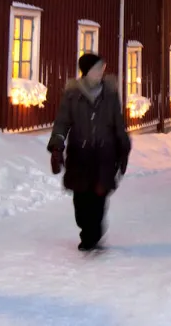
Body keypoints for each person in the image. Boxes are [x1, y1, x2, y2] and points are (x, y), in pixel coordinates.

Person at [49, 53, 131, 251]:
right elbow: (62, 123)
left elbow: (118, 125)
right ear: (86, 71)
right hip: (80, 155)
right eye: (97, 68)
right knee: (81, 200)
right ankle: (87, 229)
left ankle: (92, 235)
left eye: (102, 68)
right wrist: (57, 147)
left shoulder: (110, 95)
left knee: (99, 196)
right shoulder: (72, 95)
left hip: (104, 155)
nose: (101, 72)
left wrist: (123, 149)